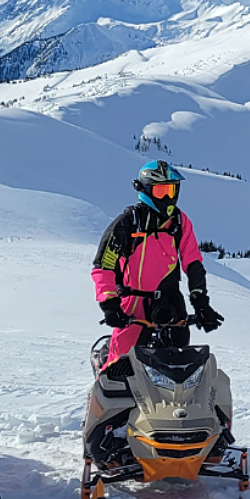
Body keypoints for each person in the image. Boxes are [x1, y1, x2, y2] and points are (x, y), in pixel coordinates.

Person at [90, 161, 223, 378]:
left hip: (171, 304)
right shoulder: (127, 224)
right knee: (119, 366)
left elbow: (193, 263)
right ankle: (103, 401)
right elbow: (104, 266)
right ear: (145, 190)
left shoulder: (179, 222)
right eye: (161, 191)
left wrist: (201, 303)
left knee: (178, 368)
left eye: (171, 190)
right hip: (133, 305)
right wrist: (110, 305)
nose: (168, 198)